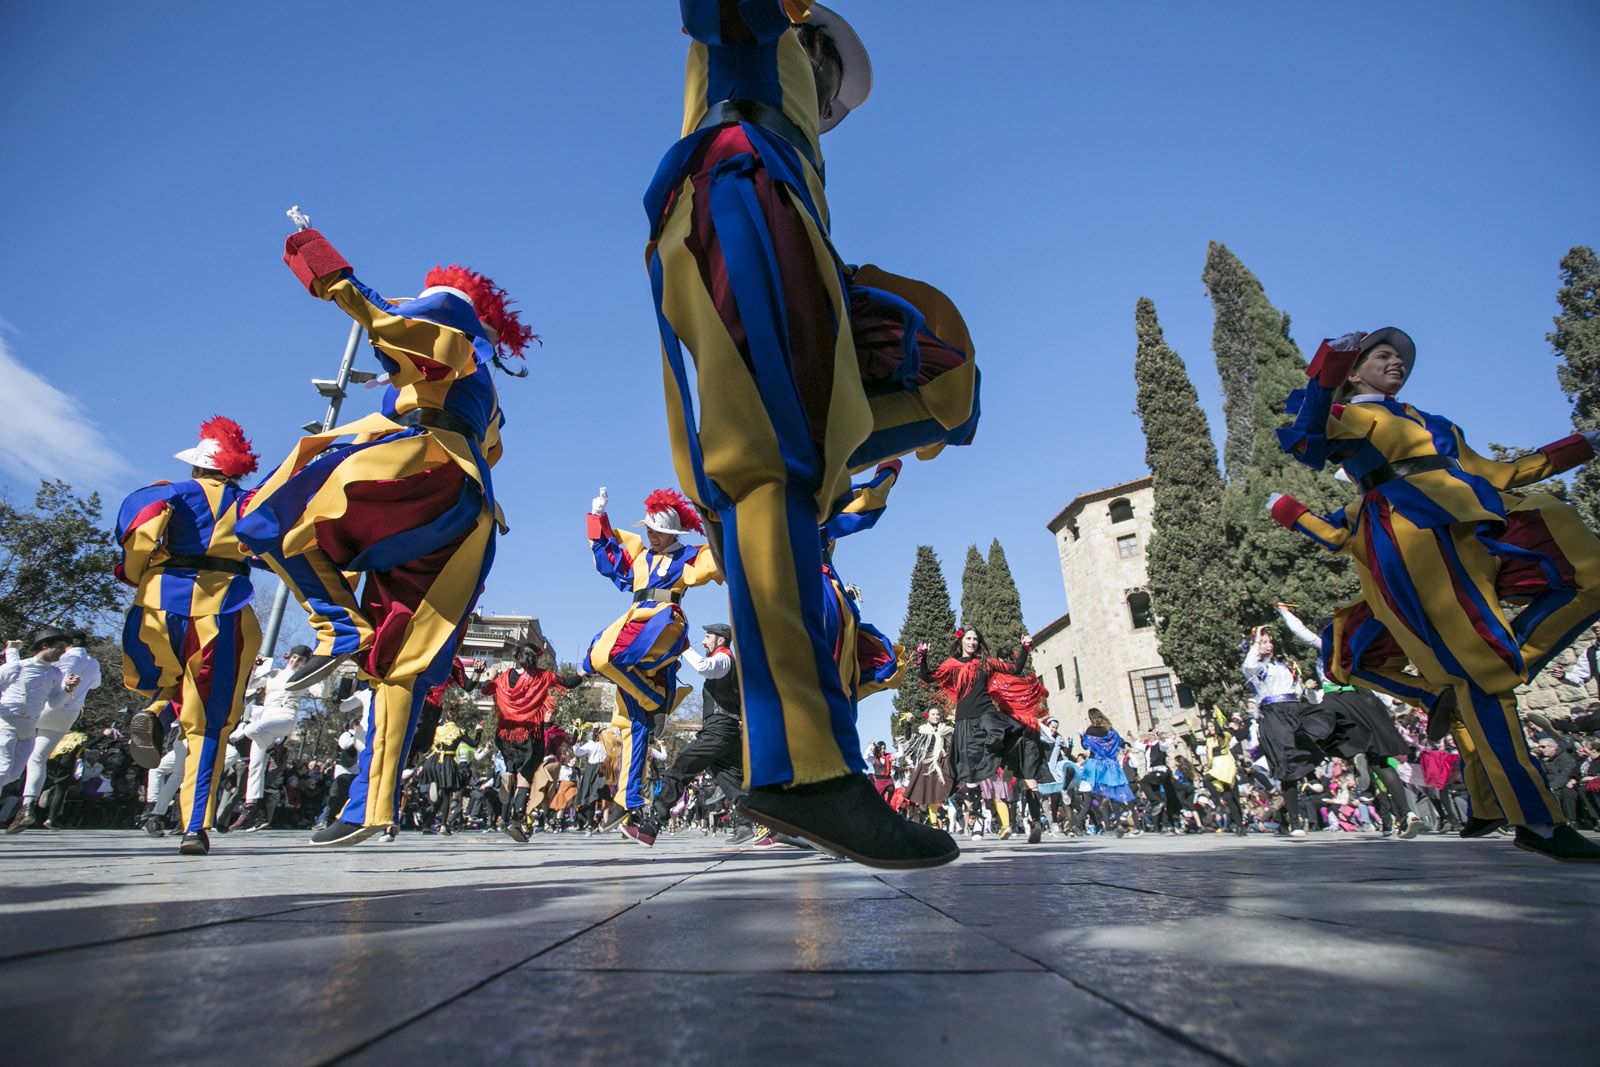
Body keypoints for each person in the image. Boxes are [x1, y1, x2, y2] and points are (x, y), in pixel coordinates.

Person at [644, 2, 979, 869]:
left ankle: (804, 761)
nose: (834, 104)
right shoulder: (758, 61)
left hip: (785, 228)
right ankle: (804, 767)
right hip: (741, 198)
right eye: (834, 82)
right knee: (769, 463)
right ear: (812, 48)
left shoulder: (796, 136)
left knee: (932, 403)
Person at [238, 221, 530, 846]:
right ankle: (370, 808)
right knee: (396, 664)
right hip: (462, 510)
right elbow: (492, 448)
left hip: (423, 472)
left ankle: (337, 625)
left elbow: (385, 320)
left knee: (276, 524)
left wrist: (325, 266)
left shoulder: (451, 327)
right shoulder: (482, 386)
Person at [1270, 327, 1600, 862]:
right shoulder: (1353, 414)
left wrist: (1580, 446)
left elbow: (1501, 472)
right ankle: (1536, 820)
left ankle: (1492, 668)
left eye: (1401, 356)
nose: (1396, 361)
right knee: (1473, 679)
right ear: (1356, 372)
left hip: (1471, 525)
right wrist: (1327, 375)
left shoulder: (1438, 425)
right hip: (1411, 535)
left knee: (1588, 579)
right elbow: (1310, 437)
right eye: (1382, 355)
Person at [116, 419, 262, 855]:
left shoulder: (170, 492)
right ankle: (194, 826)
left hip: (161, 603)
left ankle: (160, 710)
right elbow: (281, 547)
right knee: (210, 725)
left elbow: (137, 537)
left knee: (164, 676)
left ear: (200, 468)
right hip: (225, 611)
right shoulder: (254, 502)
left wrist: (136, 574)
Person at [582, 488, 721, 832]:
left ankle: (657, 697)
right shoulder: (640, 556)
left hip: (663, 623)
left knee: (603, 656)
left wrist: (719, 517)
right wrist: (598, 515)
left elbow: (721, 558)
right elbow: (608, 556)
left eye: (657, 531)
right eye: (649, 530)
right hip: (633, 620)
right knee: (632, 721)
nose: (651, 536)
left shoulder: (688, 557)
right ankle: (627, 800)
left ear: (671, 532)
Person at [1276, 603, 1422, 839]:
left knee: (1309, 734)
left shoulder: (1327, 645)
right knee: (1382, 761)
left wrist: (1283, 611)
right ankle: (1407, 814)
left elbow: (1300, 632)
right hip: (1366, 700)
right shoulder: (1357, 648)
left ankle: (1333, 765)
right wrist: (1390, 699)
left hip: (1339, 701)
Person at [916, 627, 1044, 842]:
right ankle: (976, 819)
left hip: (986, 713)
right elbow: (927, 677)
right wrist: (923, 655)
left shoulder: (986, 662)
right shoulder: (952, 665)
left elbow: (1016, 669)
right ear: (961, 641)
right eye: (969, 638)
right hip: (965, 721)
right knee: (971, 773)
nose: (972, 642)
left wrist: (1024, 648)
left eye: (975, 639)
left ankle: (1003, 762)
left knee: (1008, 728)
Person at [630, 623, 751, 848]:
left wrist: (683, 646)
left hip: (718, 732)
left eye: (708, 637)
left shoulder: (723, 658)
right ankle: (748, 825)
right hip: (728, 733)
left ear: (720, 640)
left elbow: (704, 667)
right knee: (732, 784)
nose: (704, 641)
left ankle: (650, 827)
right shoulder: (729, 663)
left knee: (679, 770)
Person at [485, 637, 583, 842]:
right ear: (535, 659)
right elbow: (569, 682)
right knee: (525, 779)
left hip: (505, 734)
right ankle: (516, 821)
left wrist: (486, 675)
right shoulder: (543, 676)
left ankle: (508, 774)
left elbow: (485, 689)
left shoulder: (504, 677)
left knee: (513, 770)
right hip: (530, 735)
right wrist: (585, 671)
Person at [5, 631, 99, 833]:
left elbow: (50, 695)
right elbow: (96, 684)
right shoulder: (93, 663)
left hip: (40, 713)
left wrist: (12, 651)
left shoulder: (59, 664)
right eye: (59, 647)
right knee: (30, 761)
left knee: (18, 767)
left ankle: (27, 805)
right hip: (61, 713)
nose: (62, 651)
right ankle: (28, 805)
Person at [226, 646, 310, 832]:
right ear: (289, 656)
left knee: (250, 730)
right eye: (294, 657)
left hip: (285, 716)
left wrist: (323, 674)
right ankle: (251, 807)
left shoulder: (304, 677)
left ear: (305, 662)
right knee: (255, 765)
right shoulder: (274, 673)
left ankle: (273, 749)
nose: (295, 662)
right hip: (266, 717)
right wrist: (254, 667)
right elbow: (249, 685)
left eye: (301, 660)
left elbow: (323, 693)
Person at [1075, 708, 1136, 835]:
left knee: (1096, 794)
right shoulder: (1110, 730)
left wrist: (1081, 735)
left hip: (1096, 765)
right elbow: (1120, 742)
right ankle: (1118, 823)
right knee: (1113, 795)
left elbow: (1086, 746)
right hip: (1111, 765)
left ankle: (1105, 824)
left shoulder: (1090, 731)